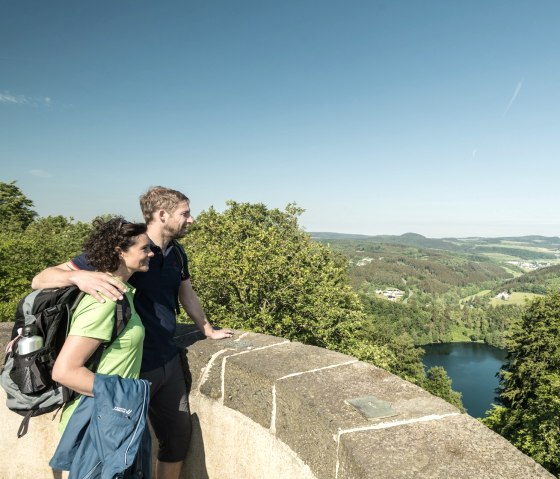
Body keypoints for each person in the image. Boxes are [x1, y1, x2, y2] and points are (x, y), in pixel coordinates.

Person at [33, 186, 234, 479]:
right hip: (131, 367)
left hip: (167, 359)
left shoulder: (176, 253)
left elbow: (185, 293)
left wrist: (206, 328)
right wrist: (77, 276)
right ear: (162, 214)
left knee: (177, 437)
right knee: (125, 452)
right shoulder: (128, 248)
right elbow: (41, 278)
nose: (191, 220)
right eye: (185, 213)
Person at [51, 216, 153, 475]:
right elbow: (64, 371)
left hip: (112, 417)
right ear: (120, 252)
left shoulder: (121, 292)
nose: (151, 253)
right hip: (98, 422)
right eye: (144, 248)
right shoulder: (105, 301)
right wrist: (128, 395)